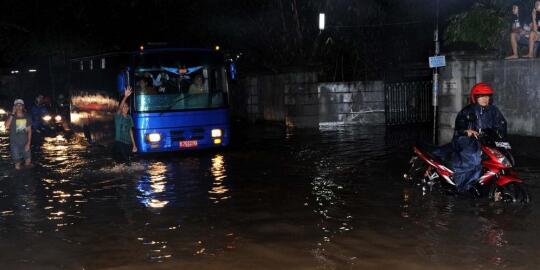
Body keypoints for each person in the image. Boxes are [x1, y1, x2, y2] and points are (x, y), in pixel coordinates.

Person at [451, 83, 507, 196]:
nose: (485, 99)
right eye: (482, 96)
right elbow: (459, 126)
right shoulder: (467, 111)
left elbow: (502, 124)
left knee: (500, 156)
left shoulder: (493, 110)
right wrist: (467, 131)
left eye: (487, 96)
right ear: (475, 98)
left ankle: (486, 182)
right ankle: (464, 186)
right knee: (474, 157)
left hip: (486, 141)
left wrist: (499, 134)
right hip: (467, 140)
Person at [5, 99, 33, 170]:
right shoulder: (11, 116)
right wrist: (12, 113)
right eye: (17, 105)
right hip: (15, 144)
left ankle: (27, 177)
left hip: (25, 143)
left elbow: (29, 131)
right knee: (17, 164)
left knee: (28, 161)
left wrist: (28, 143)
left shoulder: (27, 116)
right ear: (14, 107)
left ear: (23, 106)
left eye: (20, 105)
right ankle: (18, 178)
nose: (19, 107)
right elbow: (7, 126)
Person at [114, 86, 137, 165]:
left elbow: (130, 131)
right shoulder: (118, 116)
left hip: (128, 143)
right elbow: (120, 108)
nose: (125, 108)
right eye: (124, 106)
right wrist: (125, 96)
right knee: (126, 162)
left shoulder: (129, 117)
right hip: (119, 142)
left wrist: (134, 145)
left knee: (128, 162)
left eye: (126, 107)